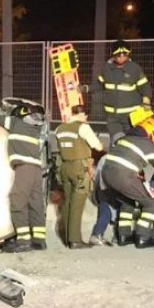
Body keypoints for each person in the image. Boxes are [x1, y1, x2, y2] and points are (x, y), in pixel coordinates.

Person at [100, 107, 154, 247]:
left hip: (107, 174)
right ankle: (142, 237)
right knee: (151, 203)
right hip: (123, 176)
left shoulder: (125, 139)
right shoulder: (146, 144)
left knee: (128, 201)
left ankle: (123, 236)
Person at [0, 100, 48, 251]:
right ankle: (39, 240)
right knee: (36, 204)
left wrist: (2, 107)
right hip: (36, 170)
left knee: (17, 201)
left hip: (24, 169)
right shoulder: (36, 127)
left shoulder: (16, 123)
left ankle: (23, 241)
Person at [53, 104, 103, 249]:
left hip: (64, 167)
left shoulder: (59, 128)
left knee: (67, 202)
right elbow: (98, 147)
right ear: (83, 115)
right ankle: (75, 240)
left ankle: (66, 237)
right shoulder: (83, 127)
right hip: (79, 168)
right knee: (77, 205)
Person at [92, 39, 152, 142]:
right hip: (113, 118)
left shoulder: (134, 69)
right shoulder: (107, 68)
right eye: (119, 54)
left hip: (131, 117)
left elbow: (145, 86)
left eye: (125, 54)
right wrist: (85, 88)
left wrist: (146, 101)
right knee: (116, 142)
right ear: (113, 55)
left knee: (132, 142)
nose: (121, 57)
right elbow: (99, 84)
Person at [88, 153, 118, 246]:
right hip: (110, 191)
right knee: (107, 211)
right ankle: (97, 234)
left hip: (102, 189)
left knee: (105, 210)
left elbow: (97, 175)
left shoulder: (105, 158)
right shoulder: (120, 158)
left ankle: (99, 234)